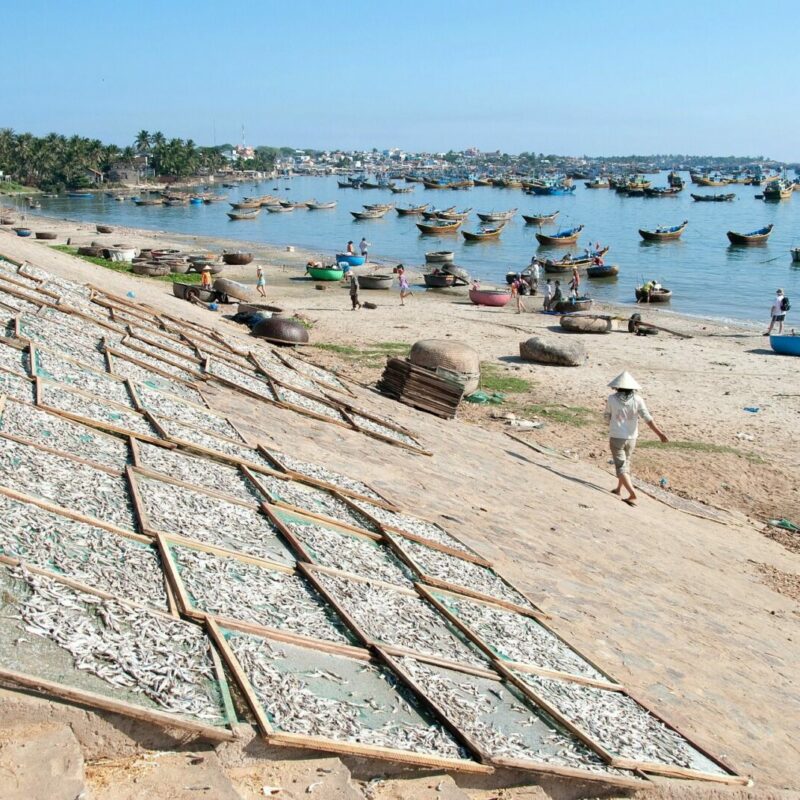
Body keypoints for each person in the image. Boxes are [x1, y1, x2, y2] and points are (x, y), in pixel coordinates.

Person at [604, 371, 668, 507]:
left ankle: (632, 493)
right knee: (626, 464)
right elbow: (647, 418)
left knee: (621, 467)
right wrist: (660, 434)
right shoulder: (638, 400)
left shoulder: (612, 399)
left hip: (617, 437)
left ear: (617, 387)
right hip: (632, 438)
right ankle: (619, 489)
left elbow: (606, 417)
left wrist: (613, 422)